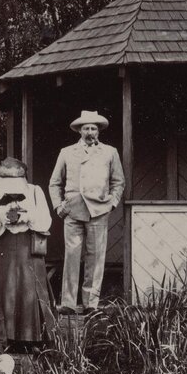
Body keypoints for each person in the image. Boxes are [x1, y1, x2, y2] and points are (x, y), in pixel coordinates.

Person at [48, 110, 126, 313]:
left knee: (96, 257)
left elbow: (118, 182)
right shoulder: (67, 152)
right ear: (79, 131)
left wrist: (112, 203)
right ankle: (68, 303)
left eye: (93, 128)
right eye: (86, 128)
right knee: (72, 256)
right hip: (73, 211)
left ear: (99, 131)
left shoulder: (110, 152)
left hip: (99, 211)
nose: (90, 132)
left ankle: (91, 304)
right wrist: (58, 206)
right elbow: (54, 183)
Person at [0, 157, 53, 346]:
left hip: (28, 248)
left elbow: (46, 222)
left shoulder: (35, 192)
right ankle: (4, 338)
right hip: (4, 248)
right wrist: (2, 219)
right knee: (5, 288)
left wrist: (27, 217)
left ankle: (32, 339)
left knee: (29, 288)